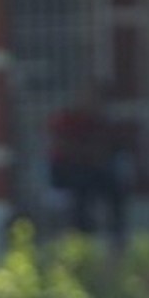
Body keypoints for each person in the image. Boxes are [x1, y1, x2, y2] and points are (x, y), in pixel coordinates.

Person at [47, 79, 130, 244]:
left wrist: (97, 152)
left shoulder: (99, 122)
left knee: (114, 186)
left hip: (92, 169)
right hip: (65, 170)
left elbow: (107, 147)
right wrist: (87, 152)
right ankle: (82, 235)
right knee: (81, 189)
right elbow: (62, 147)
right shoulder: (66, 119)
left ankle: (117, 235)